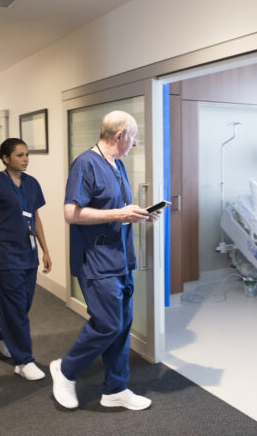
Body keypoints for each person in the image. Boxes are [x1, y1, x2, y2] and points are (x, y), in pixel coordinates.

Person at [50, 110, 161, 411]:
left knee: (122, 324)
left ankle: (115, 388)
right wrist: (120, 214)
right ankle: (66, 370)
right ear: (119, 136)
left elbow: (116, 210)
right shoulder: (85, 164)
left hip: (120, 258)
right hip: (96, 260)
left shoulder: (117, 165)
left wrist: (138, 214)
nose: (135, 144)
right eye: (133, 137)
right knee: (108, 323)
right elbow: (71, 213)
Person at [0, 138, 51, 381]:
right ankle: (23, 360)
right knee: (16, 308)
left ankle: (1, 334)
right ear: (6, 158)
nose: (25, 159)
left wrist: (45, 250)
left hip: (28, 255)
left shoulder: (31, 184)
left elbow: (35, 218)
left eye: (27, 154)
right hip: (5, 256)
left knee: (22, 305)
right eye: (19, 155)